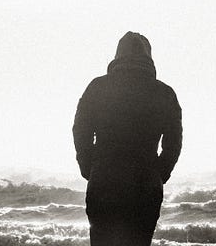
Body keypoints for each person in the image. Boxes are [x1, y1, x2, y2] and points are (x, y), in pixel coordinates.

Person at [72, 31, 182, 246]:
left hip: (104, 180)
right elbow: (174, 143)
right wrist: (159, 174)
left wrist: (89, 167)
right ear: (149, 57)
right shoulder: (164, 93)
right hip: (145, 184)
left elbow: (80, 130)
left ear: (118, 55)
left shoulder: (98, 87)